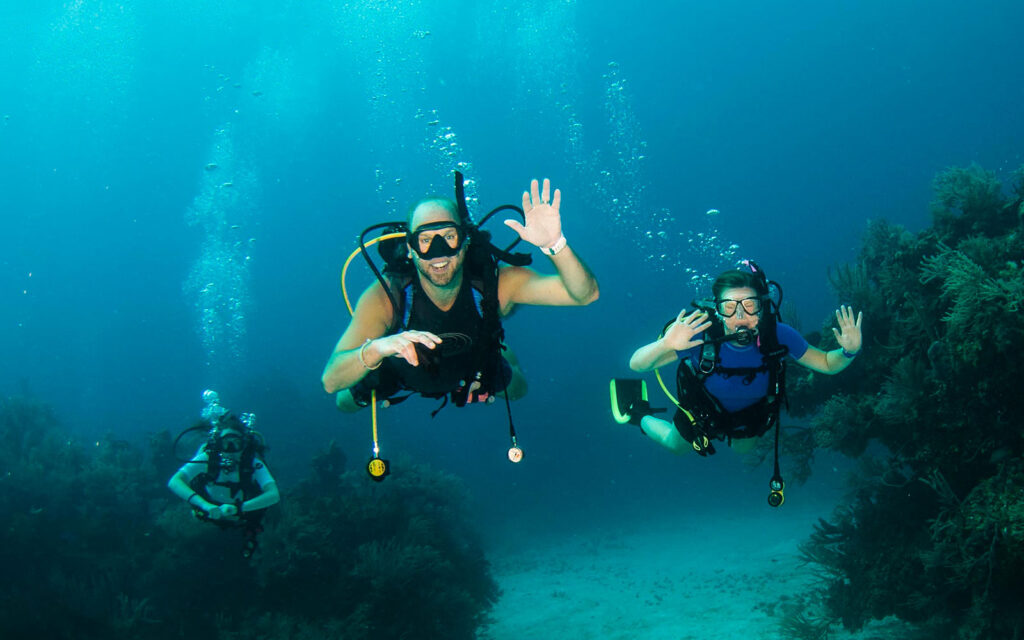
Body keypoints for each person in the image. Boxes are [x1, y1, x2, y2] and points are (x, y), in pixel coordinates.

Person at [322, 177, 599, 412]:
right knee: (345, 402)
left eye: (449, 236)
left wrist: (555, 245)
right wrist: (375, 350)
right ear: (410, 248)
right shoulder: (388, 295)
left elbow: (584, 295)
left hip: (473, 367)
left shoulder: (497, 283)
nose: (439, 253)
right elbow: (331, 380)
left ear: (466, 242)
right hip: (399, 370)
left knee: (517, 388)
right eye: (426, 240)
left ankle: (502, 353)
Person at [619, 262, 863, 460]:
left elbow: (828, 364)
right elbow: (637, 365)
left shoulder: (779, 336)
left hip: (750, 414)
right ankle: (639, 413)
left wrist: (849, 351)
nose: (739, 316)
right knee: (675, 445)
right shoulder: (698, 336)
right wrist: (665, 344)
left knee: (743, 449)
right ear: (717, 311)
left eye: (749, 305)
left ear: (762, 309)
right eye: (729, 307)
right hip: (702, 411)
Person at [168, 392, 280, 557]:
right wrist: (205, 506)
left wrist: (239, 508)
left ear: (244, 445)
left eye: (236, 444)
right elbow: (175, 482)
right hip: (206, 511)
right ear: (217, 444)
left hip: (243, 514)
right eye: (225, 444)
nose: (230, 450)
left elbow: (274, 494)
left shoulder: (252, 463)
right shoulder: (207, 459)